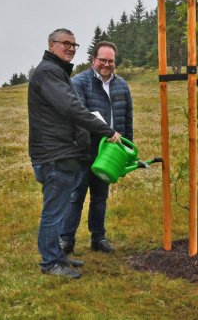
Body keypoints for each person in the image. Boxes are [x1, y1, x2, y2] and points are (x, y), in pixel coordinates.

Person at [28, 28, 121, 279]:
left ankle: (58, 257)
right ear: (51, 45)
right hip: (54, 153)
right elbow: (71, 107)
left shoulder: (56, 72)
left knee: (57, 209)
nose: (70, 48)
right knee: (53, 211)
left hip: (62, 151)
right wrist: (105, 130)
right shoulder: (48, 73)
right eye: (64, 43)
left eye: (73, 44)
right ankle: (50, 262)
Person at [60, 41, 133, 256]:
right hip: (85, 150)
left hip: (110, 153)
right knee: (76, 196)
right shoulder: (80, 83)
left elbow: (127, 117)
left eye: (110, 61)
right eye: (102, 60)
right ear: (94, 60)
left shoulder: (122, 85)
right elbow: (79, 114)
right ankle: (66, 240)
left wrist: (127, 148)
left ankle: (98, 238)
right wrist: (105, 132)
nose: (106, 64)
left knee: (100, 197)